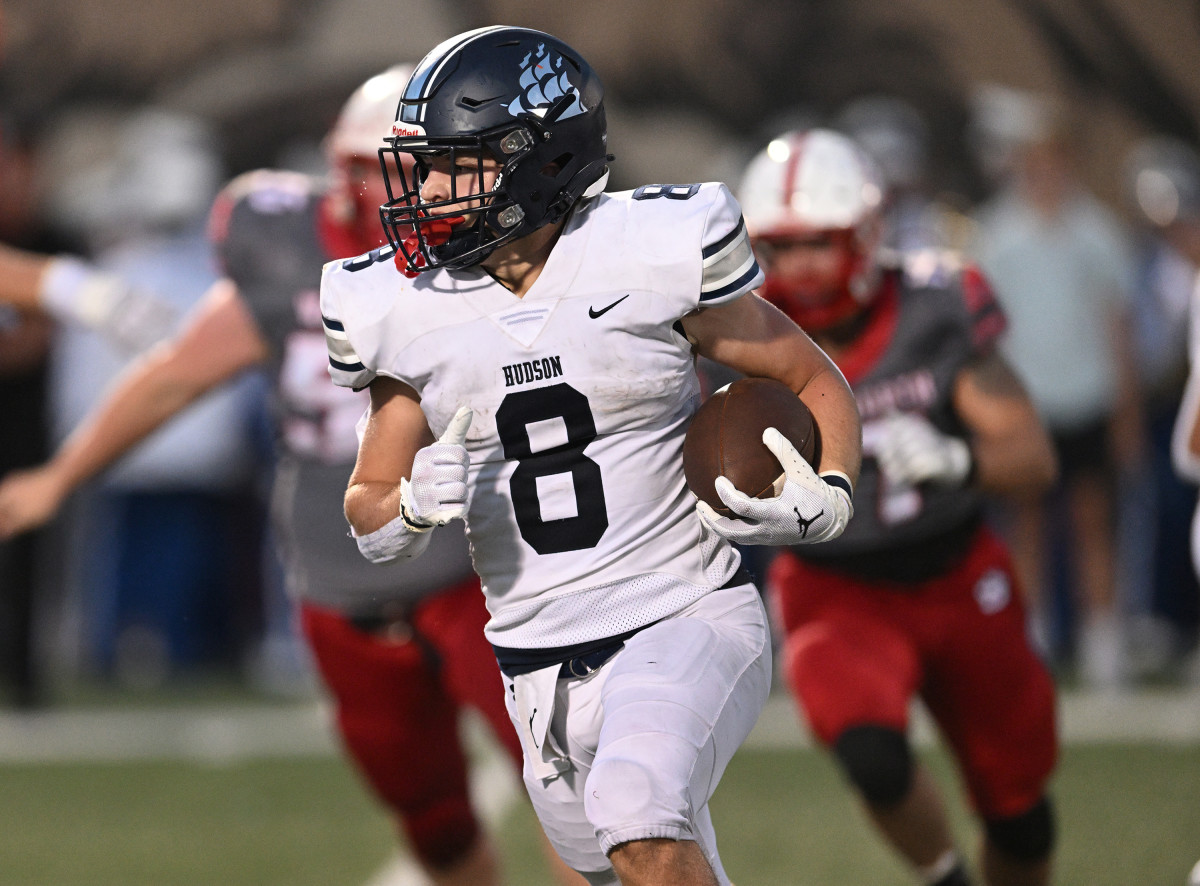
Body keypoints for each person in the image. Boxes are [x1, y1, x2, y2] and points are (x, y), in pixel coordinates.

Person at [0, 67, 581, 886]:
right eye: (380, 169)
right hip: (342, 580)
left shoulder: (496, 256)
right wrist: (62, 476)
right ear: (337, 172)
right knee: (435, 823)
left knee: (572, 791)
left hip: (482, 569)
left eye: (420, 168)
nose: (403, 191)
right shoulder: (286, 251)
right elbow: (176, 374)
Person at [322, 26, 862, 886]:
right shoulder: (400, 306)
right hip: (534, 664)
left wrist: (831, 487)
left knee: (639, 815)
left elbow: (810, 374)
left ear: (537, 159)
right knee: (637, 858)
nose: (423, 189)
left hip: (680, 612)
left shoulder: (646, 251)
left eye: (452, 164)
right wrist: (414, 504)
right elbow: (369, 509)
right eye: (421, 164)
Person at [738, 128, 1060, 886]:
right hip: (833, 586)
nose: (798, 268)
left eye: (819, 243)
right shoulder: (739, 329)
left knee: (1020, 813)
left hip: (956, 571)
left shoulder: (933, 306)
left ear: (868, 232)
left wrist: (959, 458)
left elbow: (1034, 459)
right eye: (780, 248)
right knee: (871, 757)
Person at [968, 95, 1143, 688]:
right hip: (1028, 404)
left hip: (1087, 398)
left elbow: (1118, 328)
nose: (1044, 171)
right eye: (1033, 160)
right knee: (1029, 523)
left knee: (1094, 522)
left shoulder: (1099, 234)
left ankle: (1103, 650)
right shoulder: (997, 234)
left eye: (1054, 159)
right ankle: (1030, 643)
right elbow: (984, 336)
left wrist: (1127, 410)